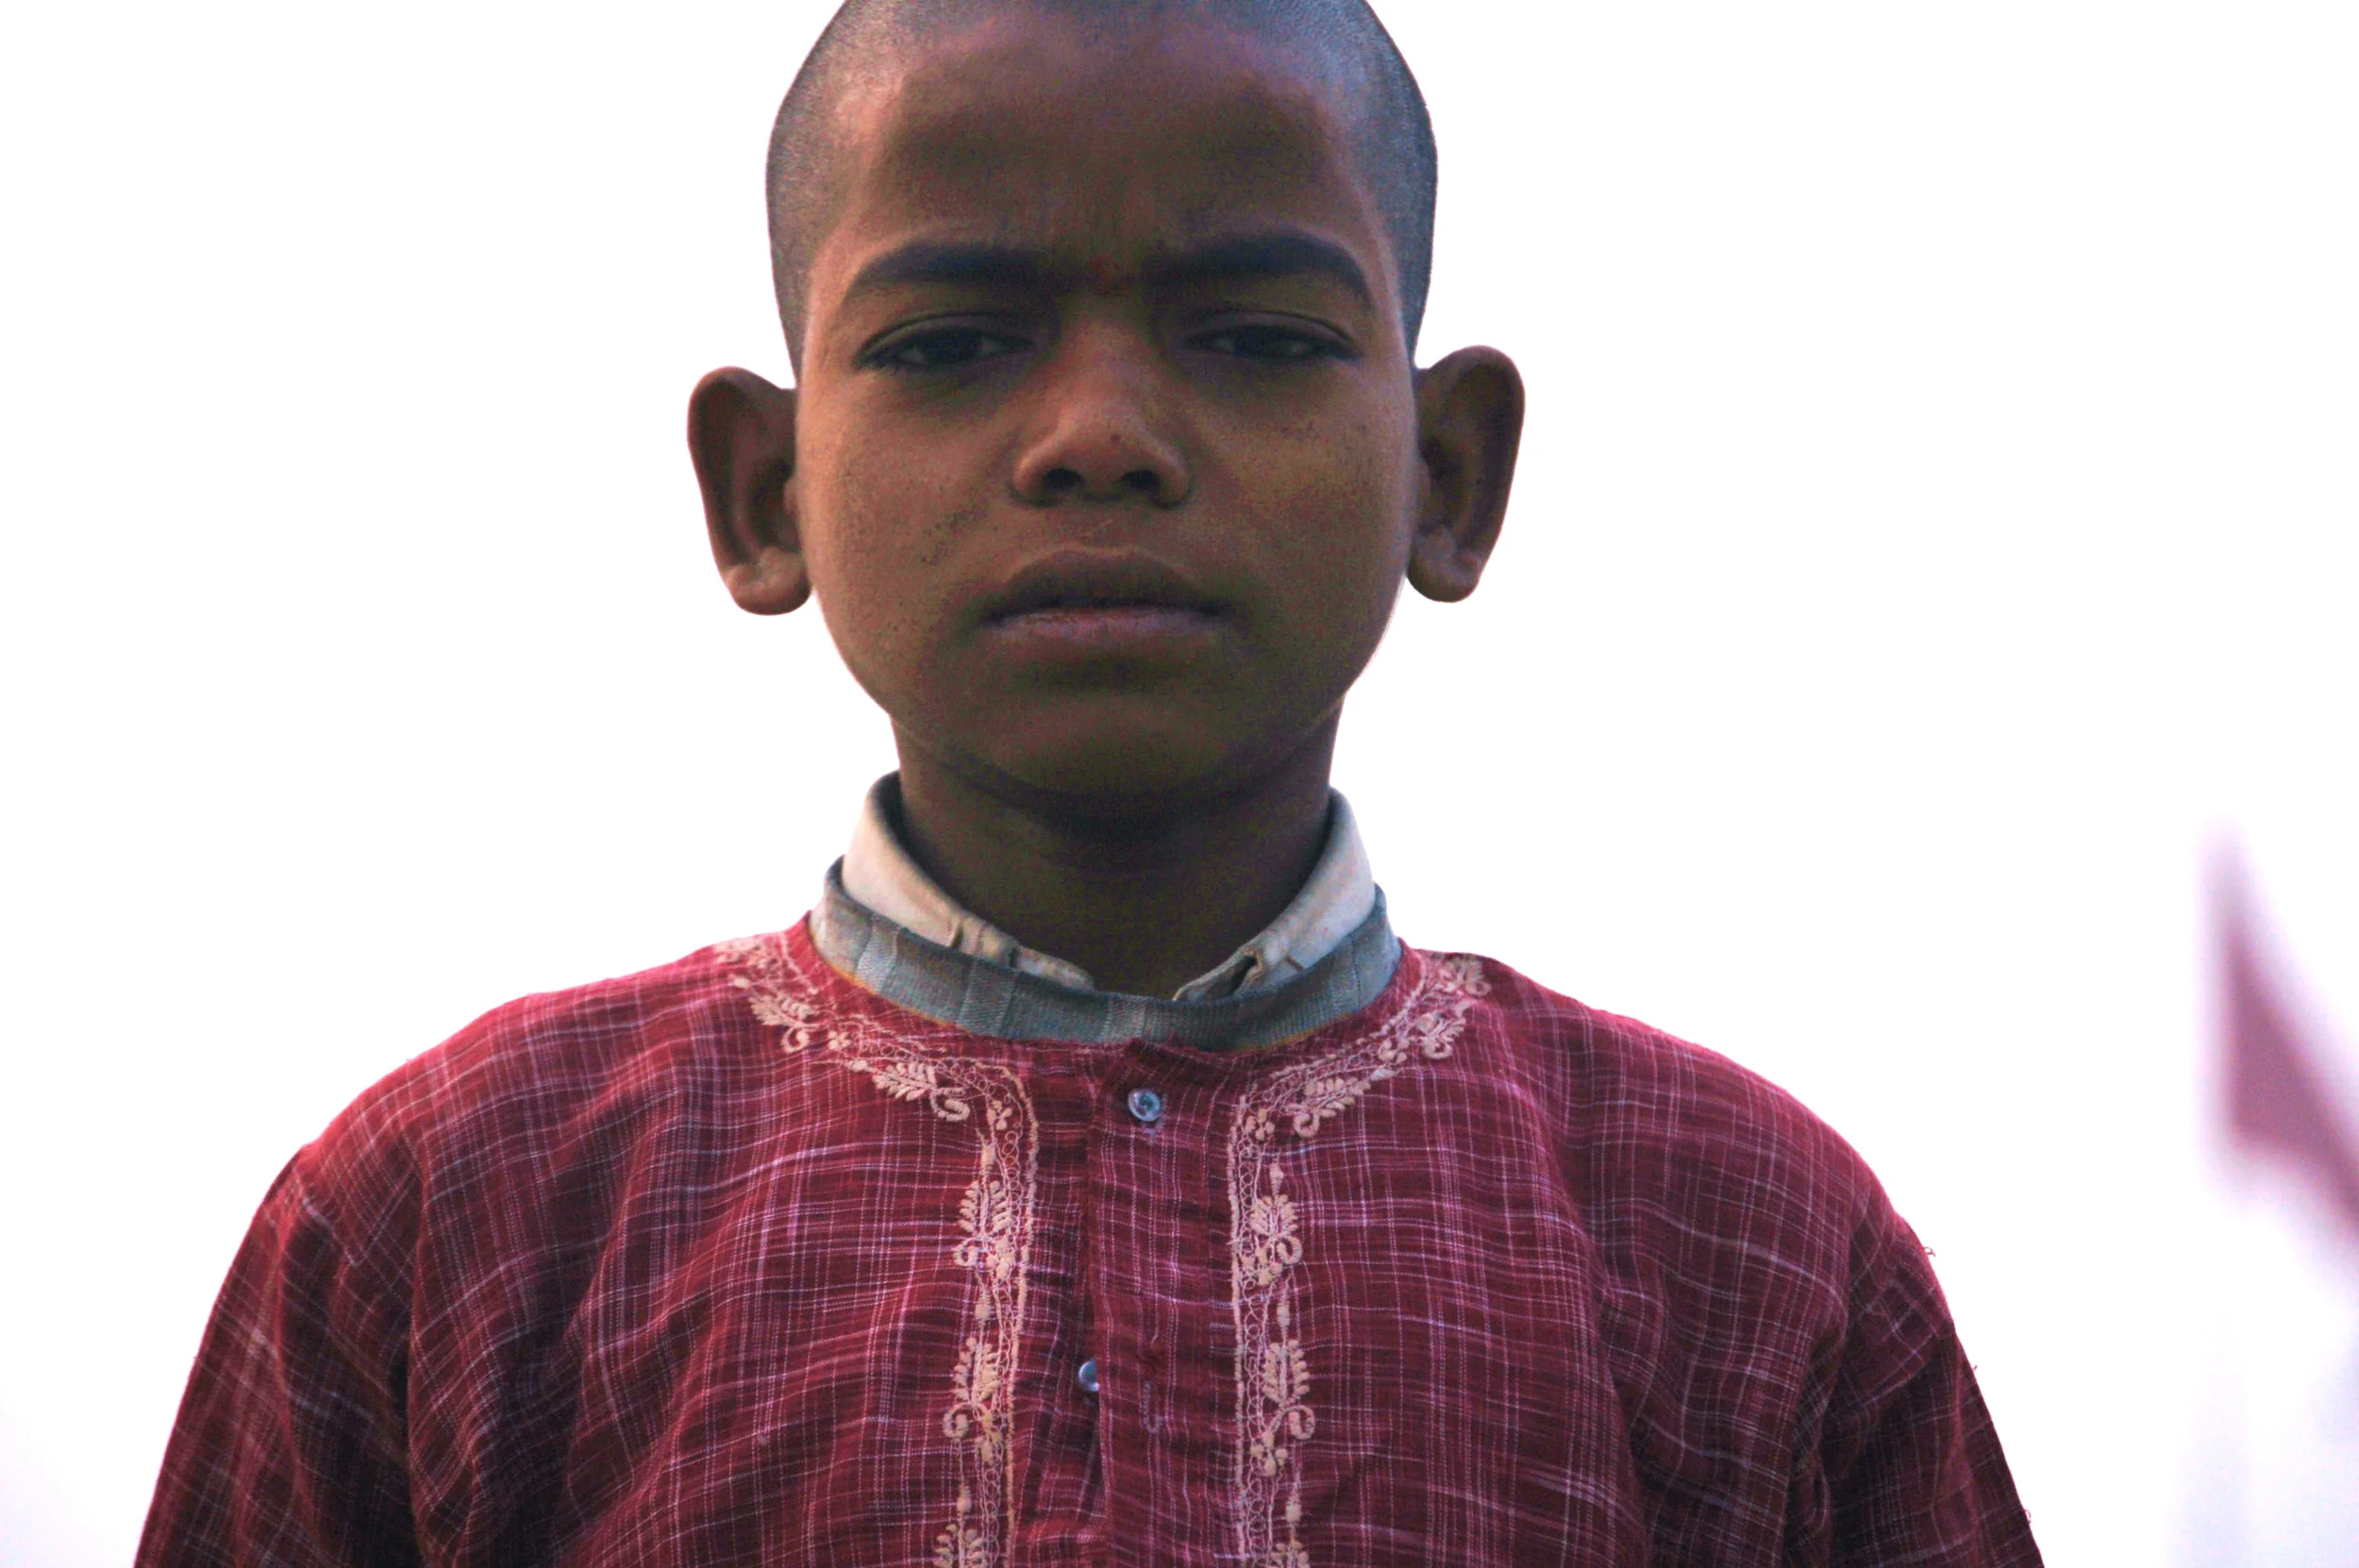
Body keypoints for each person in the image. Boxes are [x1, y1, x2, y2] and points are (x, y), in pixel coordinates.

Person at [138, 2, 2042, 1563]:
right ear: (761, 491)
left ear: (1443, 474)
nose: (1101, 438)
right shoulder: (458, 1210)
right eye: (954, 340)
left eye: (1254, 337)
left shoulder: (1743, 1242)